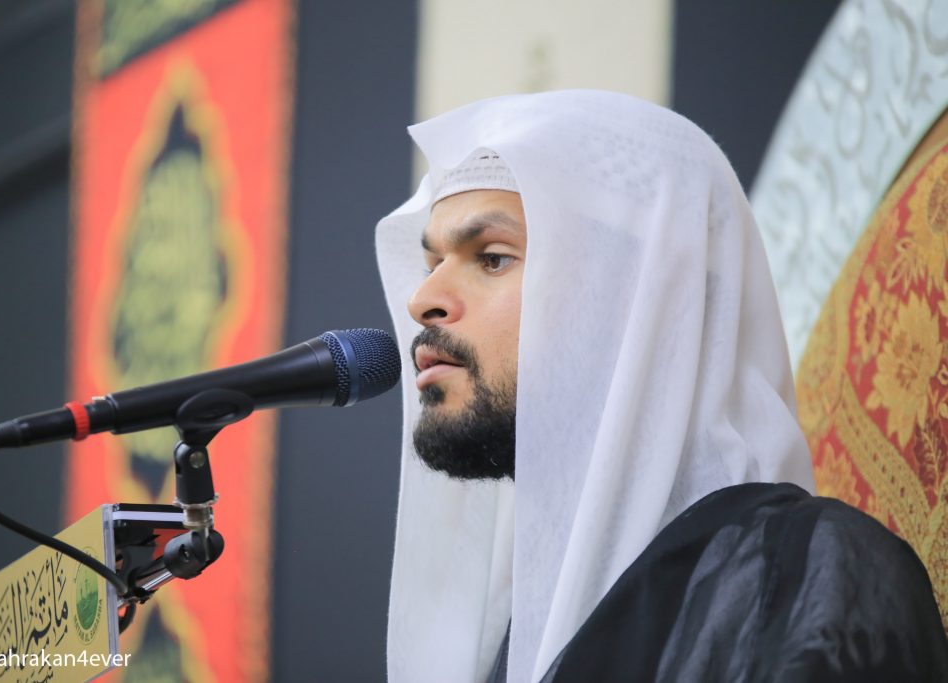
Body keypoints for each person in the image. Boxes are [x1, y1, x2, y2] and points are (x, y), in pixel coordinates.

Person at [374, 90, 948, 683]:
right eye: (432, 264)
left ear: (640, 297)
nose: (422, 300)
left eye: (492, 258)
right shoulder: (518, 629)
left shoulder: (802, 576)